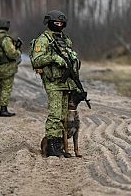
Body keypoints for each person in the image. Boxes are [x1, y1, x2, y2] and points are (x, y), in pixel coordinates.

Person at [30, 10, 80, 158]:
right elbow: (36, 60)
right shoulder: (43, 39)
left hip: (67, 82)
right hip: (53, 83)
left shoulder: (65, 39)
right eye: (56, 23)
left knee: (64, 116)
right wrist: (53, 58)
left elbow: (71, 59)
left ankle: (62, 145)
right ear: (49, 22)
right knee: (55, 114)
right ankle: (52, 145)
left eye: (61, 23)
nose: (59, 25)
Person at [0, 19, 22, 117]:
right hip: (6, 68)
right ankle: (3, 110)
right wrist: (18, 51)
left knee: (2, 88)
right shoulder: (5, 39)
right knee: (6, 88)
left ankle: (2, 107)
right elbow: (12, 54)